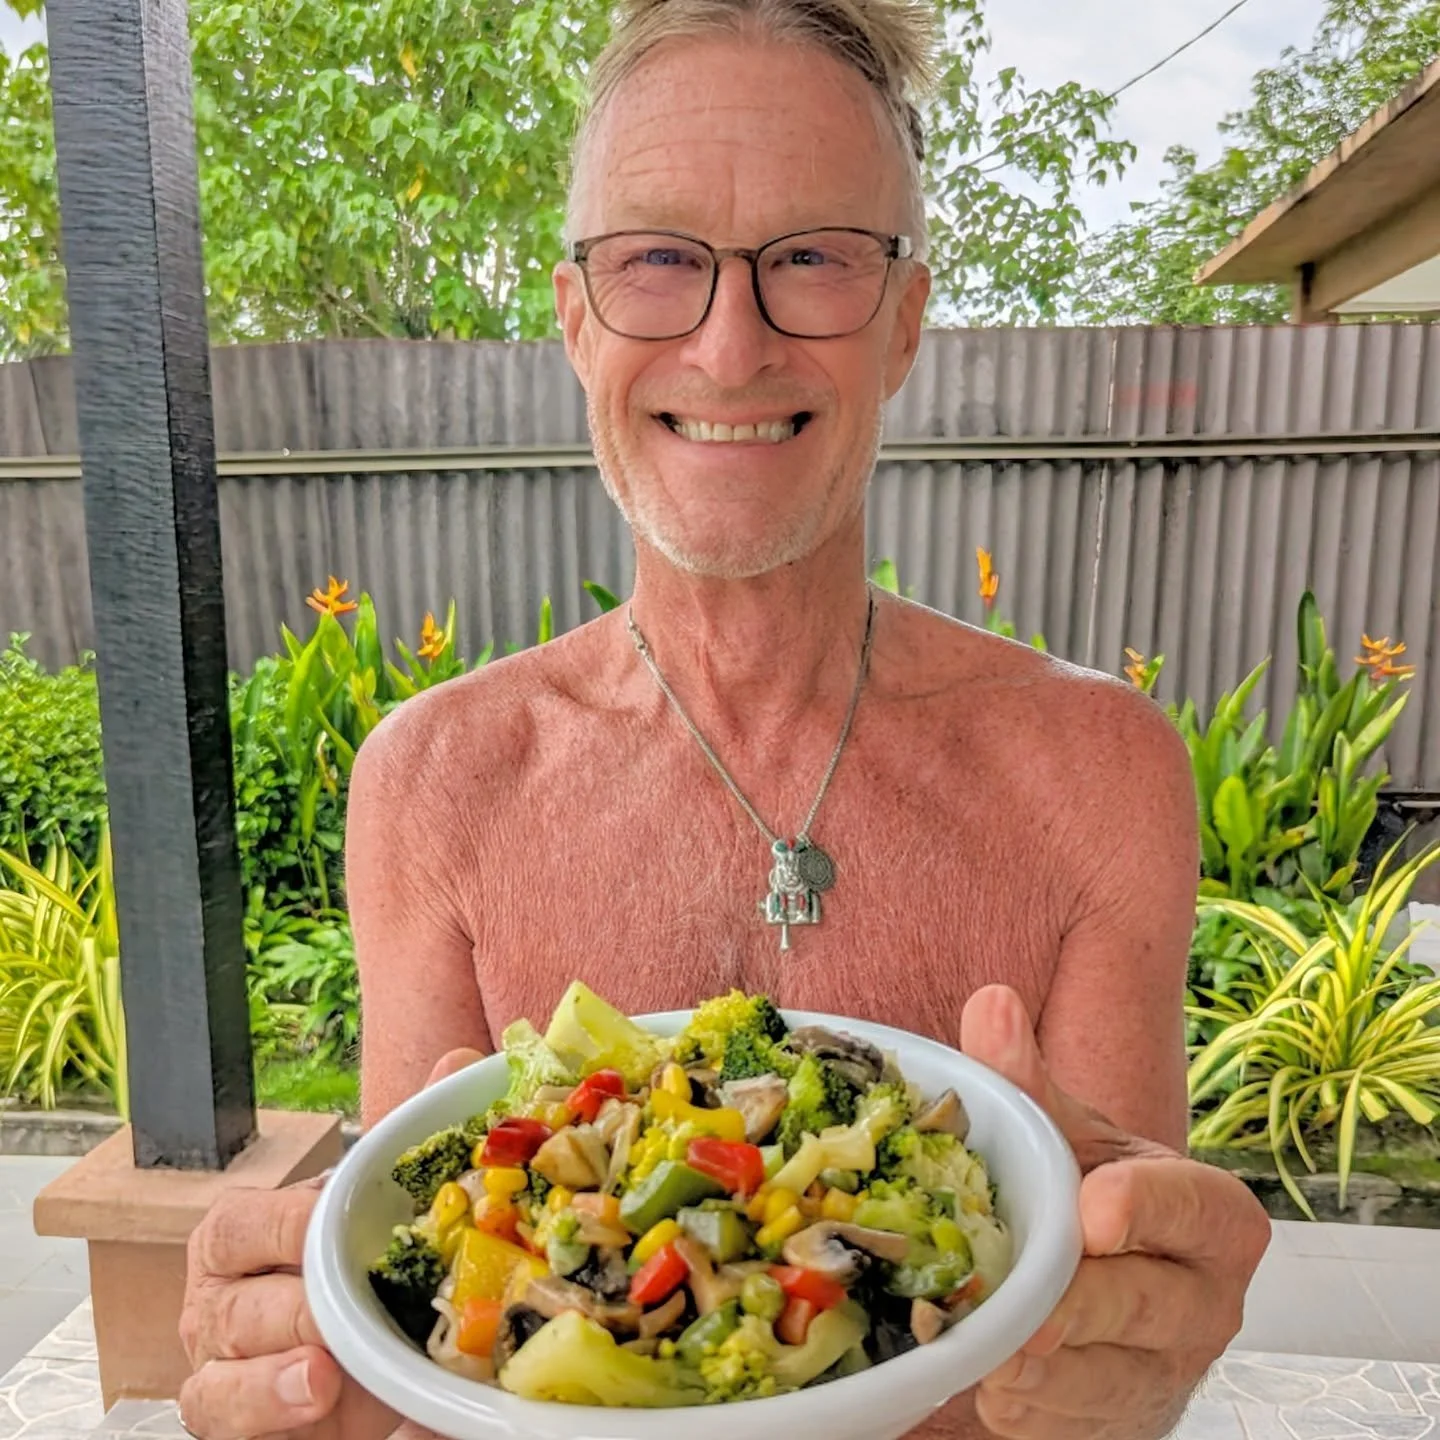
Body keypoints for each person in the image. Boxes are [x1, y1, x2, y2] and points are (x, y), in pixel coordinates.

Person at [176, 0, 1271, 1435]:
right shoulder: (435, 781)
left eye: (814, 259)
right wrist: (324, 1382)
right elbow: (453, 1323)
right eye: (658, 262)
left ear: (905, 326)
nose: (729, 343)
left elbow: (1089, 1358)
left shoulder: (1100, 772)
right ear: (577, 321)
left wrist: (1151, 1330)